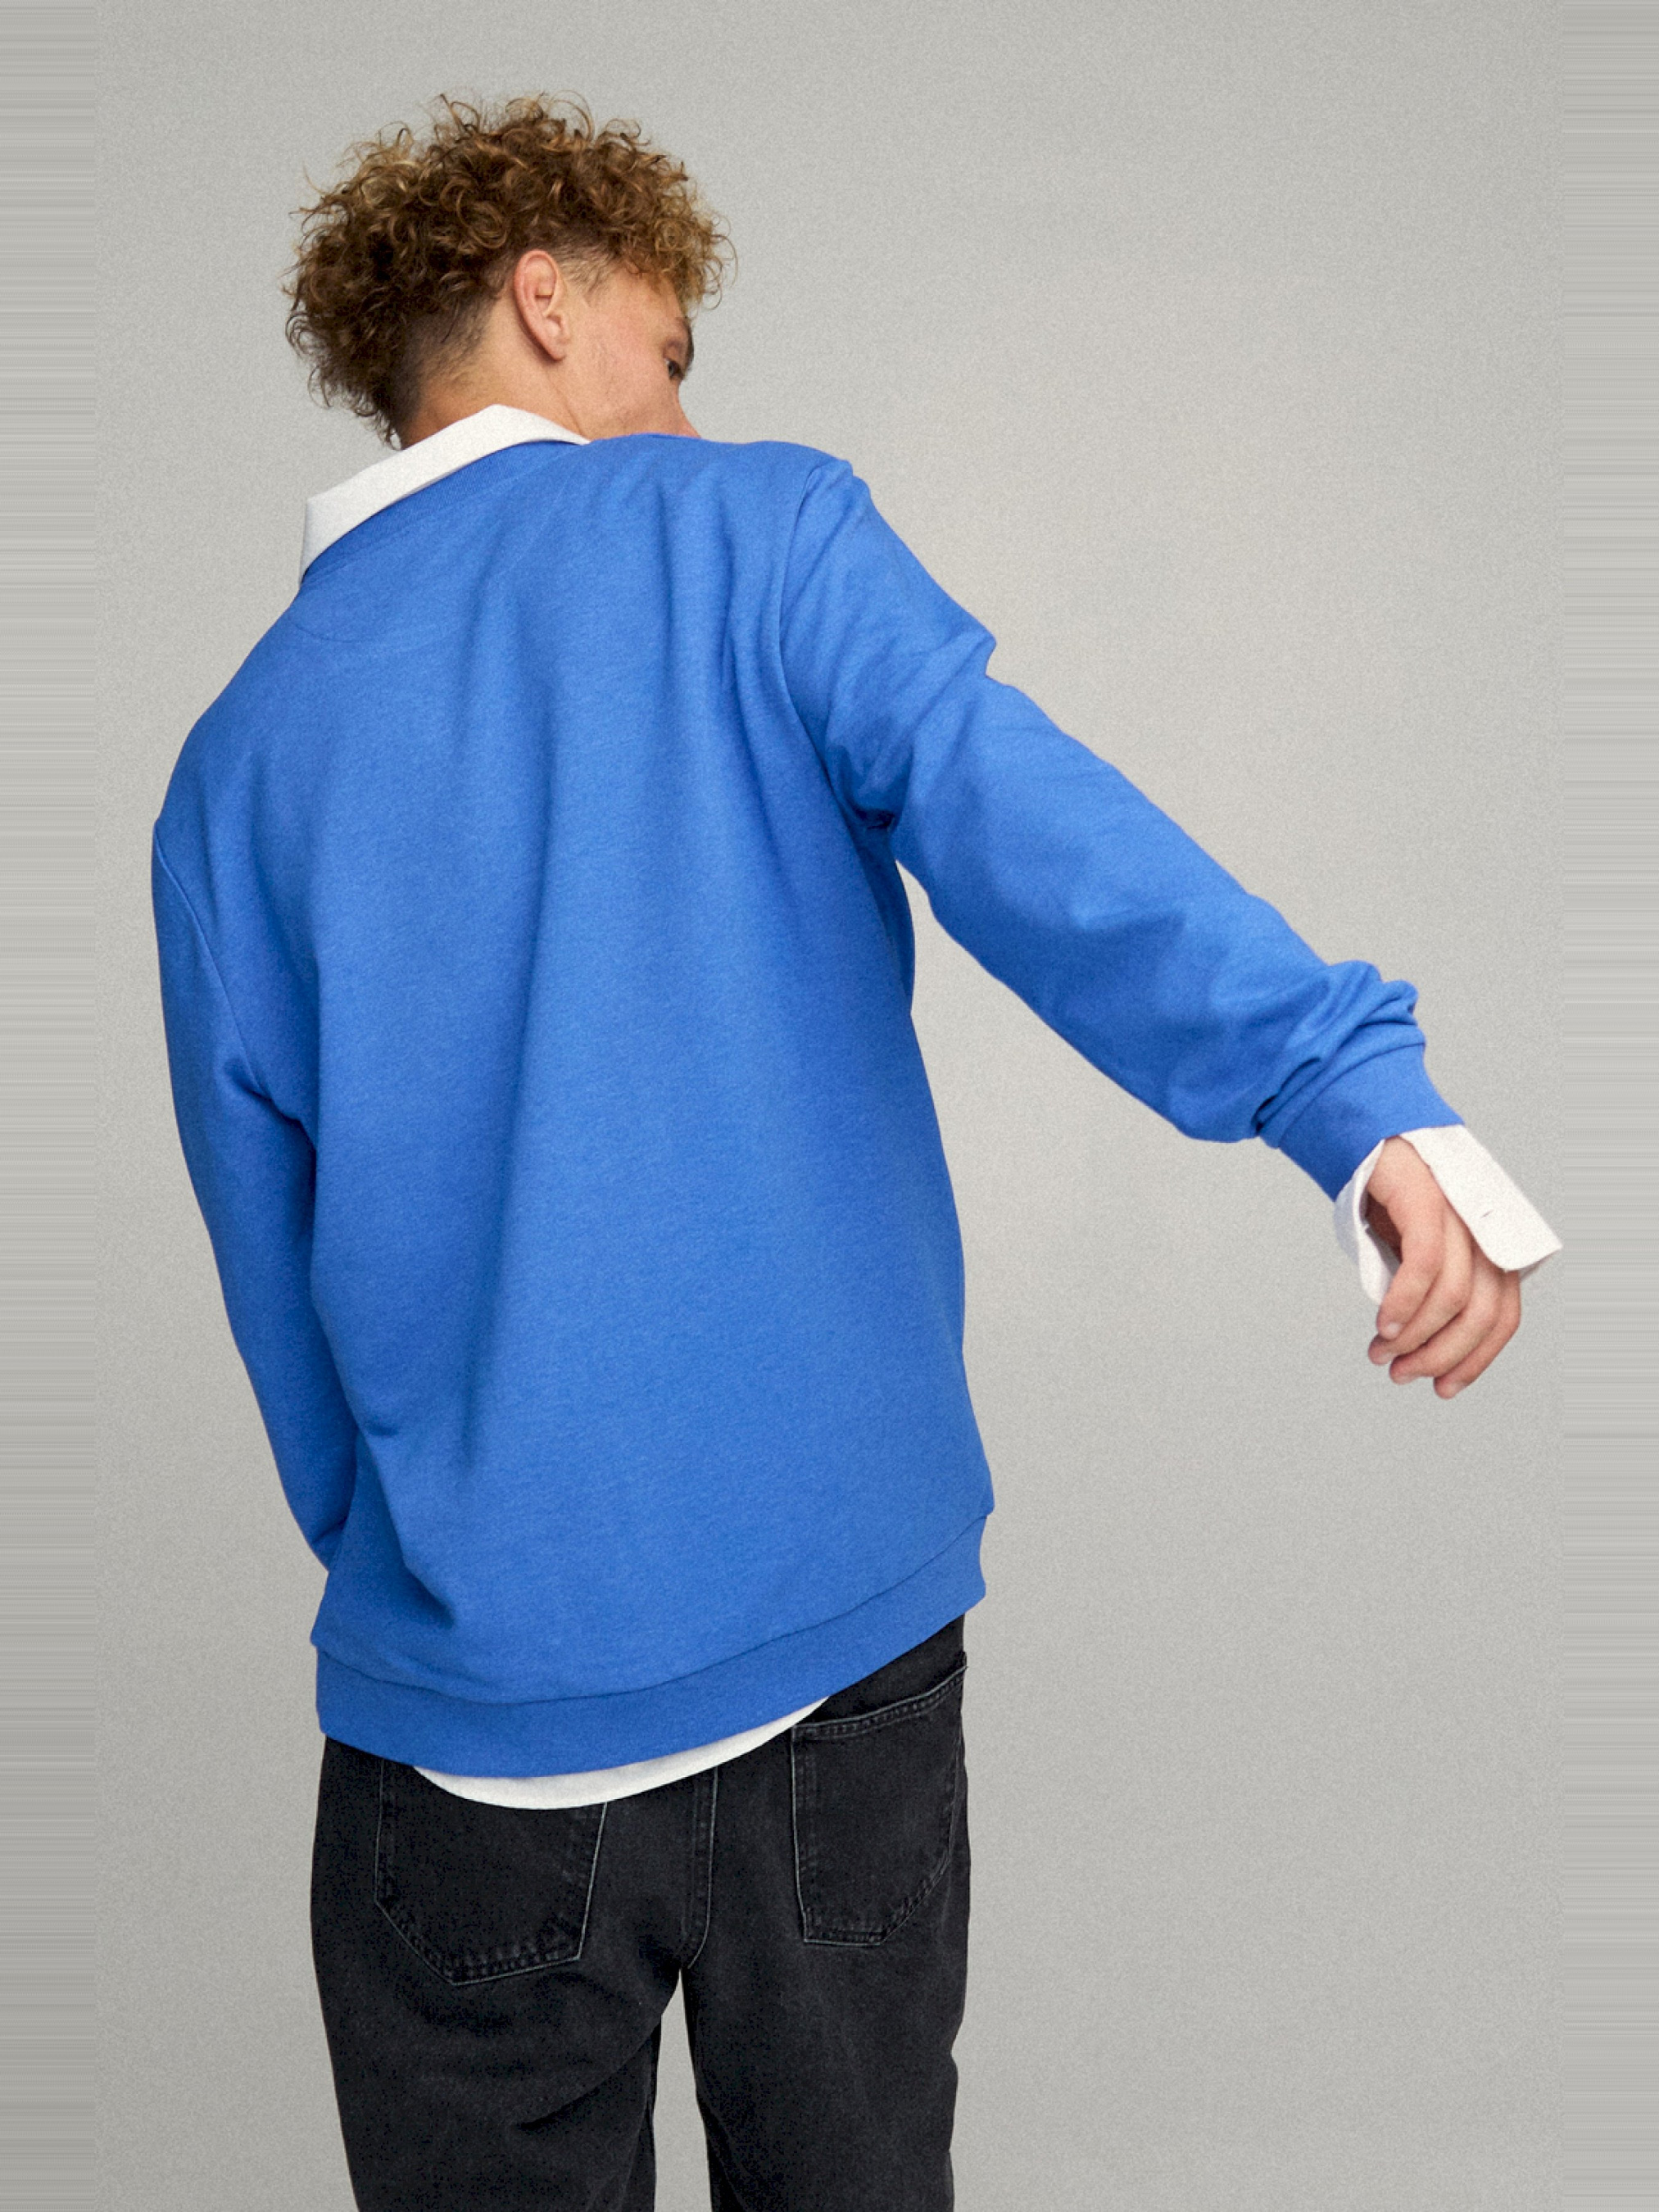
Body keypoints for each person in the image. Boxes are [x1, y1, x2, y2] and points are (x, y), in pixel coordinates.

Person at [150, 93, 1561, 2212]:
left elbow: (272, 1271)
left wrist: (451, 1577)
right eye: (668, 355)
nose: (687, 417)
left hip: (457, 1726)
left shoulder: (235, 757)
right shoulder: (757, 535)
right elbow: (1042, 838)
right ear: (547, 299)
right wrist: (1346, 1092)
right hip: (834, 1652)